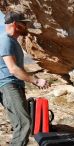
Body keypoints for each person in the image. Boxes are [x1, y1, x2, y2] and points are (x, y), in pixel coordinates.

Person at [0, 11, 50, 146]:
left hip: (14, 85)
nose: (26, 26)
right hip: (8, 85)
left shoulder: (12, 41)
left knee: (20, 123)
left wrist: (32, 77)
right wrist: (36, 81)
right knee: (24, 124)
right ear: (16, 24)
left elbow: (18, 68)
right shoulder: (5, 40)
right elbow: (13, 69)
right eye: (24, 24)